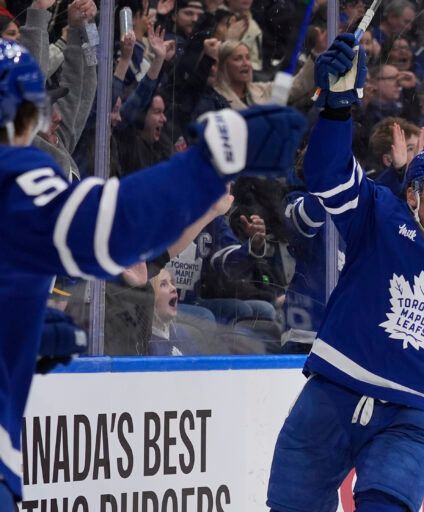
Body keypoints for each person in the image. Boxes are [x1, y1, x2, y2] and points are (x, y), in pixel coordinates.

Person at [0, 39, 305, 505]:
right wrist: (215, 157)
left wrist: (18, 332)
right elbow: (106, 229)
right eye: (32, 114)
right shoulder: (10, 177)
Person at [267, 34, 424, 512]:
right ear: (411, 193)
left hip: (410, 417)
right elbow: (328, 174)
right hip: (331, 393)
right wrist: (336, 110)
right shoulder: (378, 215)